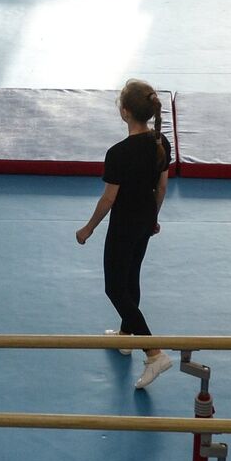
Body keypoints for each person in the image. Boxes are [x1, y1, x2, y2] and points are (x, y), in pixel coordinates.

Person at [76, 80, 172, 388]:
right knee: (131, 279)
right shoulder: (161, 142)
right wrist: (153, 218)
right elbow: (162, 188)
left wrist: (88, 228)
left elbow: (109, 199)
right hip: (144, 221)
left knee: (115, 288)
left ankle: (154, 353)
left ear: (125, 112)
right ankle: (126, 336)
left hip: (124, 226)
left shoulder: (119, 153)